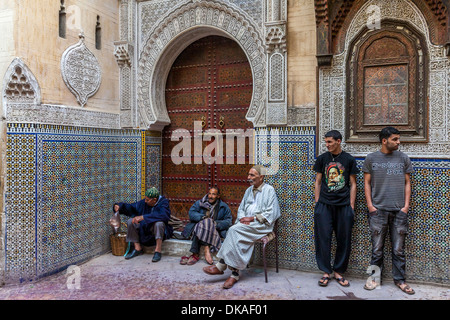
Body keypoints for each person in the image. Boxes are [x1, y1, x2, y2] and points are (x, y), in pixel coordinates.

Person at [203, 165, 281, 289]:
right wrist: (242, 219)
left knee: (233, 230)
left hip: (261, 225)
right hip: (246, 225)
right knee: (237, 234)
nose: (248, 178)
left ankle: (221, 265)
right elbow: (241, 209)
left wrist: (253, 218)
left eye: (252, 175)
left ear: (261, 177)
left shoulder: (269, 190)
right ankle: (234, 274)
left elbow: (273, 212)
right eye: (248, 175)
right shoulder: (248, 190)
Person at [362, 126, 415, 295]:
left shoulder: (403, 158)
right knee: (377, 249)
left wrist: (405, 207)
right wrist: (371, 206)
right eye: (395, 139)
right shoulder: (371, 159)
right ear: (384, 141)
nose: (398, 142)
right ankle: (374, 279)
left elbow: (408, 183)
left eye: (398, 139)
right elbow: (366, 184)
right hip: (378, 212)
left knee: (398, 250)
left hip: (399, 211)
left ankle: (400, 280)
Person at [313, 130, 358, 287]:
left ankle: (338, 272)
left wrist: (351, 206)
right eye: (326, 142)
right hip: (324, 205)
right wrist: (318, 203)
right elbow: (318, 182)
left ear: (339, 141)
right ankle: (326, 271)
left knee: (343, 239)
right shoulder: (322, 159)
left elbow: (353, 184)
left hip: (344, 205)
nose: (327, 145)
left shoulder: (348, 159)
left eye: (330, 142)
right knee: (323, 239)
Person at [113, 187, 173, 262]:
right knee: (130, 221)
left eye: (147, 200)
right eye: (145, 199)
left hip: (156, 230)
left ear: (154, 200)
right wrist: (120, 206)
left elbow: (163, 215)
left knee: (159, 224)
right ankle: (137, 248)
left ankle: (158, 251)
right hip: (145, 228)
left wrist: (143, 217)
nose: (145, 201)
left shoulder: (163, 203)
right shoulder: (144, 203)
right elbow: (131, 207)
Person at [180, 187, 232, 265]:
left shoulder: (223, 207)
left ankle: (195, 254)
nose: (210, 196)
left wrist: (215, 224)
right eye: (209, 194)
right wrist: (203, 218)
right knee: (203, 224)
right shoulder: (199, 203)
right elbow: (191, 213)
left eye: (213, 194)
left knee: (206, 224)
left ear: (218, 196)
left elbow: (228, 221)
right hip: (199, 226)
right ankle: (206, 248)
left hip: (215, 228)